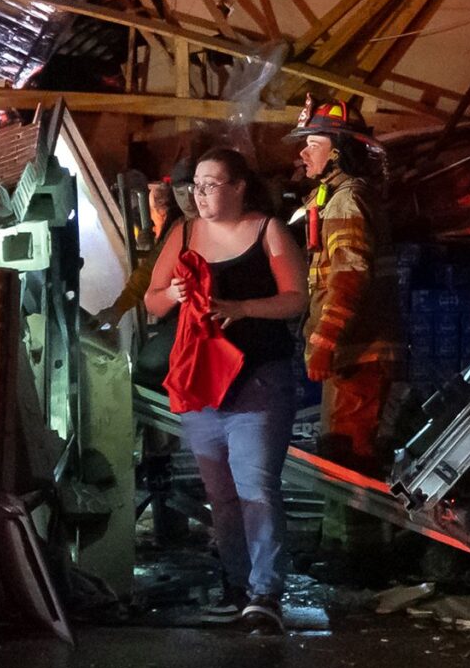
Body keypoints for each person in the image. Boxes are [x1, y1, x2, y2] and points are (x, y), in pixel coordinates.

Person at [141, 145, 308, 625]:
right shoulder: (184, 233)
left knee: (256, 485)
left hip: (257, 381)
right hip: (202, 384)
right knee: (223, 494)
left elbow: (295, 298)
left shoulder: (267, 231)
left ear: (239, 187)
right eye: (196, 185)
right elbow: (152, 301)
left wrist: (242, 308)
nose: (201, 193)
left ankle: (265, 593)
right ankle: (237, 585)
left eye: (212, 183)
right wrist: (171, 294)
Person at [290, 97, 400, 577]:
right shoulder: (337, 197)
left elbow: (348, 276)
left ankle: (361, 560)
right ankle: (343, 548)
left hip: (359, 352)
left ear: (335, 150)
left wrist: (324, 341)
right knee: (340, 448)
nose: (303, 155)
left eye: (311, 144)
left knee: (350, 456)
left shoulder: (345, 200)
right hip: (355, 350)